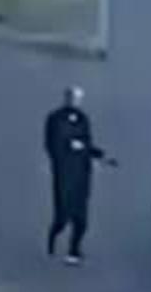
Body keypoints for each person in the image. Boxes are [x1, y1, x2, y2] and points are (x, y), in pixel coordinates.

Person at [44, 86, 115, 265]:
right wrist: (70, 147)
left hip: (82, 175)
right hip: (64, 175)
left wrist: (100, 155)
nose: (76, 101)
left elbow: (86, 142)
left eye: (79, 99)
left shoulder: (83, 119)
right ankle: (52, 239)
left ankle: (74, 251)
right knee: (62, 217)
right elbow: (53, 144)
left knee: (81, 219)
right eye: (74, 98)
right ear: (67, 98)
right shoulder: (55, 119)